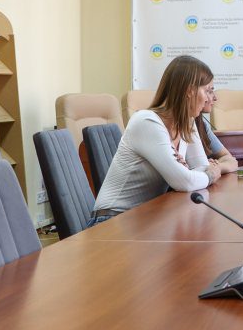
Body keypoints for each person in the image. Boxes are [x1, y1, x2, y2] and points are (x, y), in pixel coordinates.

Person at [92, 56, 223, 222]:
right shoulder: (146, 122)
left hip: (146, 217)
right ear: (189, 91)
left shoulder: (188, 122)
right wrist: (209, 174)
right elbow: (185, 182)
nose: (209, 98)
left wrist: (190, 173)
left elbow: (199, 169)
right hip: (112, 220)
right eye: (208, 91)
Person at [196, 88, 239, 172]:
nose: (215, 98)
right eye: (209, 91)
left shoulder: (201, 125)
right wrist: (208, 167)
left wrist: (216, 167)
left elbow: (229, 158)